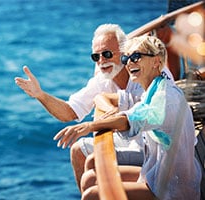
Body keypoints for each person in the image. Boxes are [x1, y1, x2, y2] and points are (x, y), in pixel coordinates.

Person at [54, 35, 202, 200]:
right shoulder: (152, 90)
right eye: (127, 58)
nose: (130, 62)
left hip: (173, 188)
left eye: (137, 57)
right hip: (156, 172)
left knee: (92, 194)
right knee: (90, 178)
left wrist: (89, 126)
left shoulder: (165, 98)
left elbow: (130, 120)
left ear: (156, 61)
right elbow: (121, 102)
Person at [15, 24, 148, 191]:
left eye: (107, 54)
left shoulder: (143, 74)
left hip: (149, 147)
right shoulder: (101, 81)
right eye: (96, 57)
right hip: (127, 142)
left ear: (124, 53)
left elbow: (134, 119)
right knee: (78, 151)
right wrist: (41, 95)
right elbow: (69, 112)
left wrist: (91, 125)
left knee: (92, 171)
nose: (101, 61)